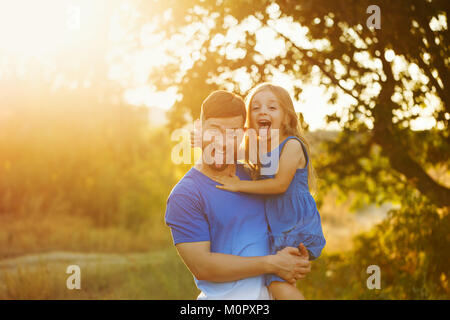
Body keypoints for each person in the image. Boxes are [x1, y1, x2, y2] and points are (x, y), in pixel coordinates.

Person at [165, 90, 311, 300]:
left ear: (243, 133)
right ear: (199, 128)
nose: (223, 142)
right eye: (214, 130)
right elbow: (203, 267)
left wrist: (295, 256)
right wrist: (272, 263)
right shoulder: (185, 195)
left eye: (232, 132)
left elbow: (284, 216)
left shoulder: (257, 177)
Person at [209, 83, 326, 300]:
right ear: (249, 120)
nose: (263, 111)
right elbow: (228, 149)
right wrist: (203, 141)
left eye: (272, 108)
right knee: (275, 281)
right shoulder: (258, 147)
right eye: (256, 108)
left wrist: (238, 185)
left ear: (287, 117)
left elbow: (279, 185)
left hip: (294, 224)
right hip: (277, 226)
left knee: (277, 284)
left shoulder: (292, 145)